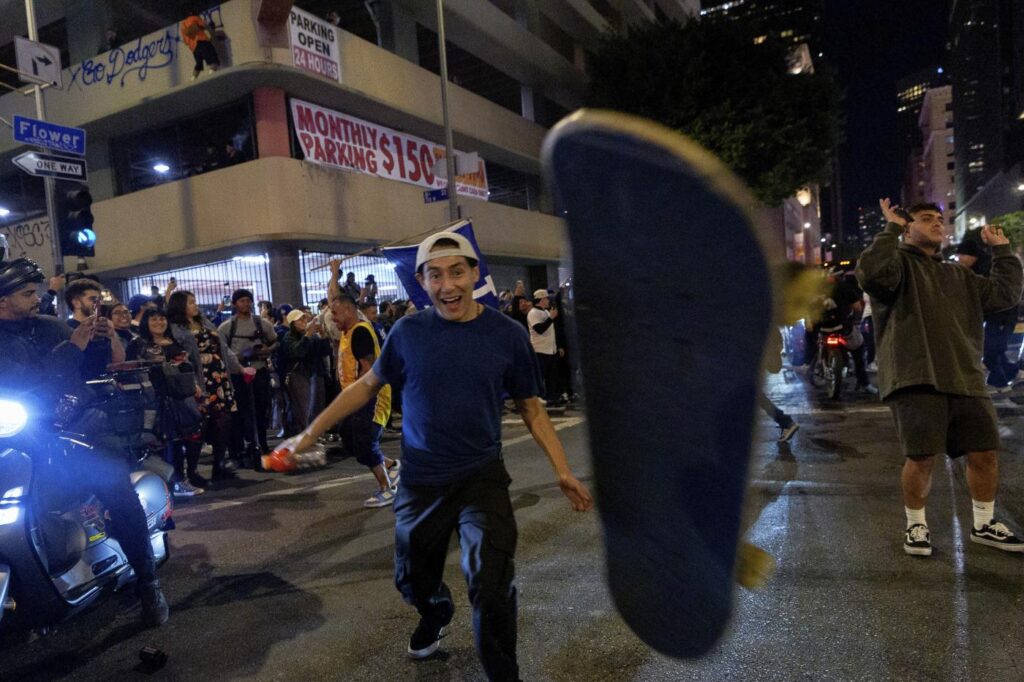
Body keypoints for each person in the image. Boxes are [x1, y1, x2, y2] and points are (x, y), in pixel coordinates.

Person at [281, 232, 592, 679]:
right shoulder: (408, 332)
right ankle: (436, 612)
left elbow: (530, 407)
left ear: (474, 274)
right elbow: (366, 386)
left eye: (457, 272)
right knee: (412, 579)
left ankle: (504, 674)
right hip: (421, 481)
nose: (448, 285)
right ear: (422, 282)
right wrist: (310, 432)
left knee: (491, 583)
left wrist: (562, 471)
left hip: (481, 477)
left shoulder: (506, 334)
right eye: (436, 275)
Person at [0, 258, 169, 626]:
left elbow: (83, 371)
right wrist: (72, 349)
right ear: (3, 301)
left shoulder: (49, 327)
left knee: (116, 491)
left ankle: (147, 582)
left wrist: (100, 342)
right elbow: (22, 379)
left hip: (71, 430)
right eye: (27, 293)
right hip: (19, 437)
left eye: (36, 292)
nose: (36, 299)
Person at [856, 199, 1024, 557]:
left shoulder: (958, 274)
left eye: (939, 219)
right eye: (926, 219)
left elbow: (1004, 296)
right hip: (915, 374)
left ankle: (984, 523)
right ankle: (916, 524)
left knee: (985, 453)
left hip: (965, 376)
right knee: (921, 457)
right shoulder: (898, 264)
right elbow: (871, 274)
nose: (937, 224)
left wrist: (1004, 252)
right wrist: (889, 229)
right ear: (907, 228)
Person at [128, 309, 205, 497]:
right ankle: (165, 483)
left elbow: (189, 367)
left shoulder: (174, 342)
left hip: (179, 398)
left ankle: (180, 479)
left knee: (182, 439)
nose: (158, 322)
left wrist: (195, 385)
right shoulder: (138, 344)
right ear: (145, 322)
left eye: (162, 318)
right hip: (152, 399)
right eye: (153, 319)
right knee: (158, 443)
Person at [167, 290, 240, 481]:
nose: (195, 305)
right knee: (200, 424)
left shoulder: (205, 322)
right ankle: (192, 470)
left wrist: (237, 367)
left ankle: (219, 463)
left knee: (223, 420)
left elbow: (223, 347)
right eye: (191, 302)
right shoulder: (175, 328)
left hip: (219, 376)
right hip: (200, 377)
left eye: (194, 301)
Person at [957, 226, 1022, 393]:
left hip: (1002, 316)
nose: (959, 259)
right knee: (994, 351)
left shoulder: (987, 266)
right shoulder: (973, 269)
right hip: (992, 318)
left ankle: (1001, 383)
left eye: (962, 255)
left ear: (972, 255)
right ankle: (1014, 374)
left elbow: (1002, 292)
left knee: (991, 352)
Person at [219, 289, 278, 468]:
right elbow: (222, 351)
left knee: (261, 410)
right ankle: (241, 449)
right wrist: (240, 358)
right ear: (235, 304)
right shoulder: (227, 327)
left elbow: (275, 341)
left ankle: (261, 444)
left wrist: (267, 350)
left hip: (259, 372)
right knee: (240, 413)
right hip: (238, 375)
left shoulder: (262, 324)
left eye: (248, 300)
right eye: (242, 301)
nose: (246, 304)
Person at [65, 278, 126, 380]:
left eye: (99, 300)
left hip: (106, 386)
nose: (98, 304)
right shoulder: (66, 328)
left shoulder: (103, 326)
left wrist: (113, 335)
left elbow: (119, 361)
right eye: (93, 299)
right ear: (76, 303)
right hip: (83, 389)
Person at [281, 309, 330, 434]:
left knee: (316, 406)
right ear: (293, 323)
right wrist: (308, 335)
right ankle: (303, 436)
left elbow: (324, 352)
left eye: (305, 319)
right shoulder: (288, 337)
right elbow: (297, 352)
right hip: (297, 375)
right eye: (300, 319)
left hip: (312, 373)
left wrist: (323, 335)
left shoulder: (310, 336)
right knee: (303, 408)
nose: (304, 322)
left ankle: (314, 434)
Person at [527, 289, 561, 404]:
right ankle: (538, 396)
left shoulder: (545, 312)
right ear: (541, 299)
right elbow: (539, 329)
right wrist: (551, 318)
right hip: (539, 350)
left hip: (550, 350)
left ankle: (552, 397)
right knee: (540, 375)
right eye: (546, 299)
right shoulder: (533, 313)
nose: (548, 301)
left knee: (552, 376)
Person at [180, 9, 220, 81]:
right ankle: (212, 77)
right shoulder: (195, 18)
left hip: (194, 49)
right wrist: (213, 34)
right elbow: (205, 26)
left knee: (198, 64)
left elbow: (185, 42)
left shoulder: (183, 25)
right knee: (214, 61)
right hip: (202, 42)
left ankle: (193, 80)